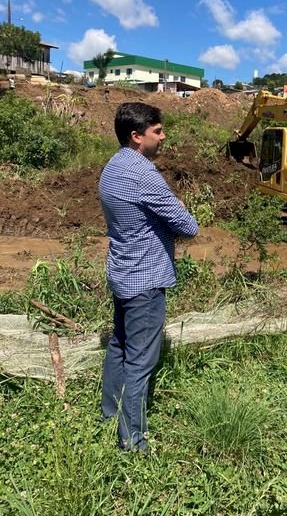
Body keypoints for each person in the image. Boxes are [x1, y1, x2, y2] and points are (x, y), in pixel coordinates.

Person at [99, 102, 198, 451]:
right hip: (145, 280)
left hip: (123, 272)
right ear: (137, 136)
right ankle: (133, 442)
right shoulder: (144, 175)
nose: (163, 136)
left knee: (119, 345)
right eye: (157, 131)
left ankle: (109, 415)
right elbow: (188, 225)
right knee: (141, 361)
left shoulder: (113, 167)